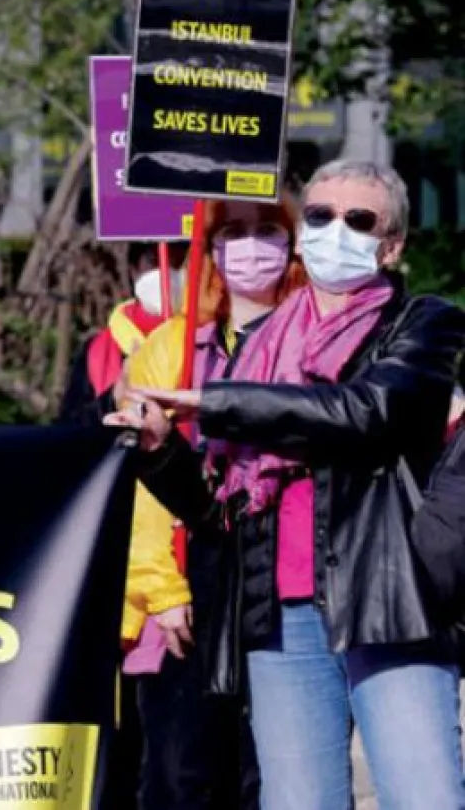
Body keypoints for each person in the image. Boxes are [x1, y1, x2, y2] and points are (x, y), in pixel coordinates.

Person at [109, 159, 465, 810]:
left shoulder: (423, 324)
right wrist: (162, 454)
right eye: (321, 216)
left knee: (426, 796)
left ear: (391, 246)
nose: (335, 231)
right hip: (280, 617)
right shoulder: (261, 346)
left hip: (389, 603)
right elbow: (222, 508)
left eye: (358, 220)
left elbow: (368, 412)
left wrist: (219, 401)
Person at [118, 195, 304, 810]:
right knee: (179, 778)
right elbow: (137, 478)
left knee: (271, 777)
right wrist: (159, 591)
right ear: (212, 249)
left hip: (283, 592)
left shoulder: (313, 340)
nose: (251, 248)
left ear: (292, 243)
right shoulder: (173, 346)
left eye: (267, 232)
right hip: (184, 596)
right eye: (234, 233)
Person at [57, 244, 186, 426]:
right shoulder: (98, 351)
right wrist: (112, 400)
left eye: (179, 261)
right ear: (134, 271)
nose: (166, 272)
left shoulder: (209, 341)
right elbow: (68, 429)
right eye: (154, 261)